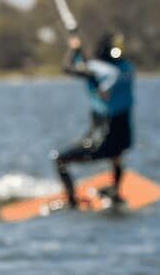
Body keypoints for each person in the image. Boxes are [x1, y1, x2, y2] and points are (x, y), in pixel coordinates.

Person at [51, 32, 135, 209]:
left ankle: (72, 200)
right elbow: (106, 71)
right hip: (124, 136)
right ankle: (116, 191)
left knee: (58, 159)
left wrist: (73, 50)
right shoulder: (128, 68)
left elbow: (67, 68)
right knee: (116, 156)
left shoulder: (95, 70)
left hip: (102, 137)